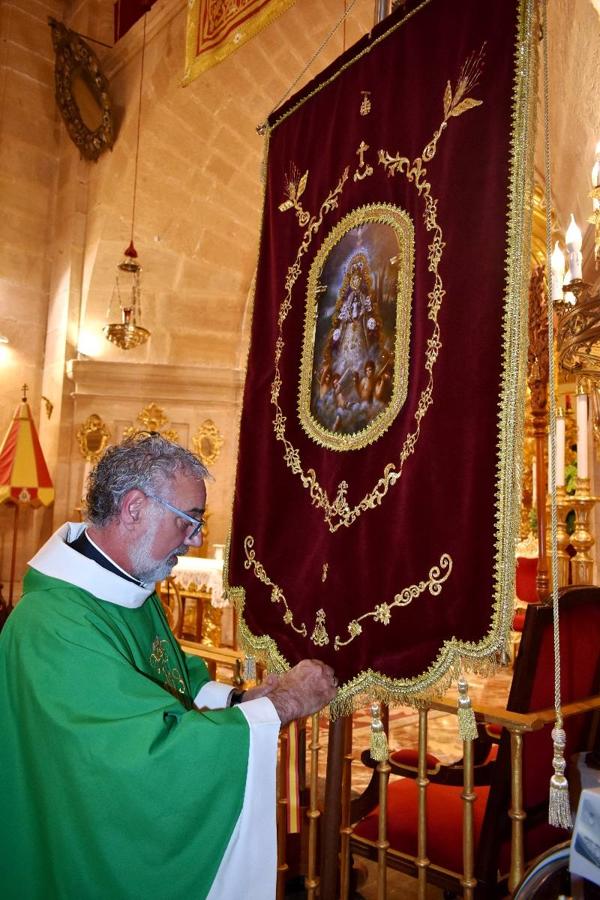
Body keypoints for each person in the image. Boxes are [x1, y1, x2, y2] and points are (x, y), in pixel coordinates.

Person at [0, 433, 337, 900]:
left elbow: (168, 678)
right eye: (189, 521)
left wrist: (239, 700)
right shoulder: (53, 626)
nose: (196, 539)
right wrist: (284, 703)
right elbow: (143, 755)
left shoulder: (124, 585)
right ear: (135, 508)